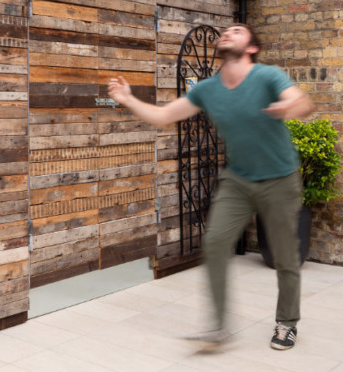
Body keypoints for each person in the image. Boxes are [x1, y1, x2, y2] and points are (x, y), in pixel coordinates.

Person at [107, 23, 313, 351]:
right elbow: (163, 117)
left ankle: (287, 322)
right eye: (226, 31)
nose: (228, 33)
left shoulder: (267, 76)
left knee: (286, 256)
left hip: (280, 178)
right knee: (215, 243)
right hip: (239, 178)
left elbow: (302, 102)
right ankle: (218, 327)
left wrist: (289, 108)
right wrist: (128, 99)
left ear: (251, 48)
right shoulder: (207, 89)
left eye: (237, 30)